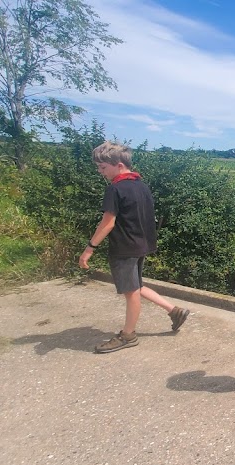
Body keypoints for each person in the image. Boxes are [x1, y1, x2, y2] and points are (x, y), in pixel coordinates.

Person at [78, 141, 190, 353]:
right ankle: (174, 311)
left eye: (103, 167)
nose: (100, 172)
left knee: (131, 292)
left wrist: (89, 248)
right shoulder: (141, 185)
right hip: (141, 245)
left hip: (125, 248)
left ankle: (128, 335)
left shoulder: (115, 189)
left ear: (119, 165)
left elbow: (108, 223)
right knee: (135, 286)